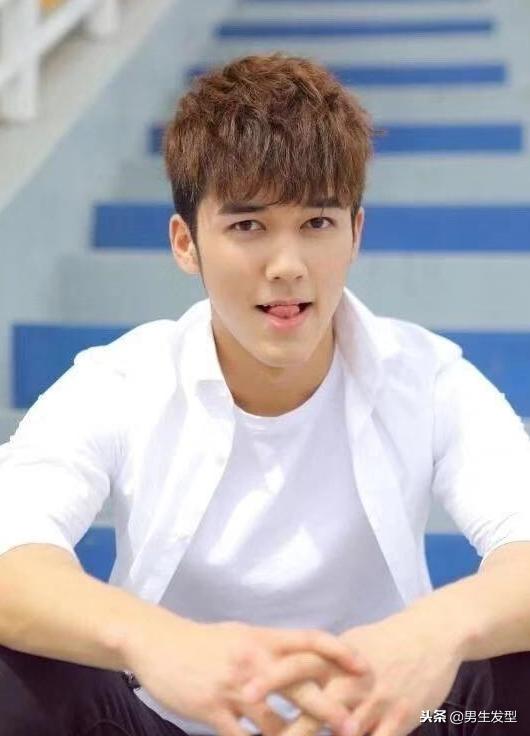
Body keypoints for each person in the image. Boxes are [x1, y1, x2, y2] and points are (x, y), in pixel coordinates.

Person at [1, 52, 530, 736]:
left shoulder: (428, 378)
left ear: (355, 233)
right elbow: (12, 541)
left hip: (392, 715)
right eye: (247, 226)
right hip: (164, 719)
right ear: (186, 243)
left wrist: (438, 630)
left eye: (317, 224)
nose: (287, 266)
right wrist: (154, 640)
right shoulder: (121, 382)